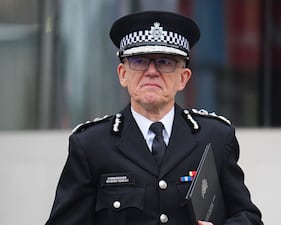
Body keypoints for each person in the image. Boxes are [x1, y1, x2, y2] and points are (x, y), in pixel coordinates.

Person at [45, 11, 263, 225]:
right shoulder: (91, 145)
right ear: (122, 74)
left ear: (183, 78)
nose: (151, 72)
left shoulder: (215, 138)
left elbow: (249, 217)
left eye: (165, 62)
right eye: (139, 61)